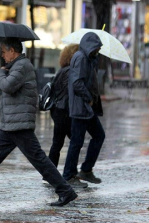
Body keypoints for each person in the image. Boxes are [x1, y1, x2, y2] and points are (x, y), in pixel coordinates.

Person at [0, 38, 77, 207]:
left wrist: (0, 74)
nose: (2, 55)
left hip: (19, 123)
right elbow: (7, 87)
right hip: (11, 122)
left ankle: (65, 191)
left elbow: (9, 85)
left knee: (39, 159)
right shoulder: (15, 67)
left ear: (12, 50)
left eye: (4, 52)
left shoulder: (22, 66)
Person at [62, 32, 105, 185]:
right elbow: (77, 83)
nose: (98, 51)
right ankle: (69, 174)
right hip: (82, 107)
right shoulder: (80, 58)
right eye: (96, 48)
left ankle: (85, 170)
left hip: (87, 108)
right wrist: (88, 99)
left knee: (97, 136)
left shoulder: (89, 58)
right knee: (77, 142)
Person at [48, 44, 79, 168]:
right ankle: (69, 172)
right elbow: (69, 91)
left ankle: (50, 173)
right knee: (73, 142)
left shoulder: (62, 70)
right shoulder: (69, 71)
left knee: (58, 143)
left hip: (59, 110)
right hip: (64, 111)